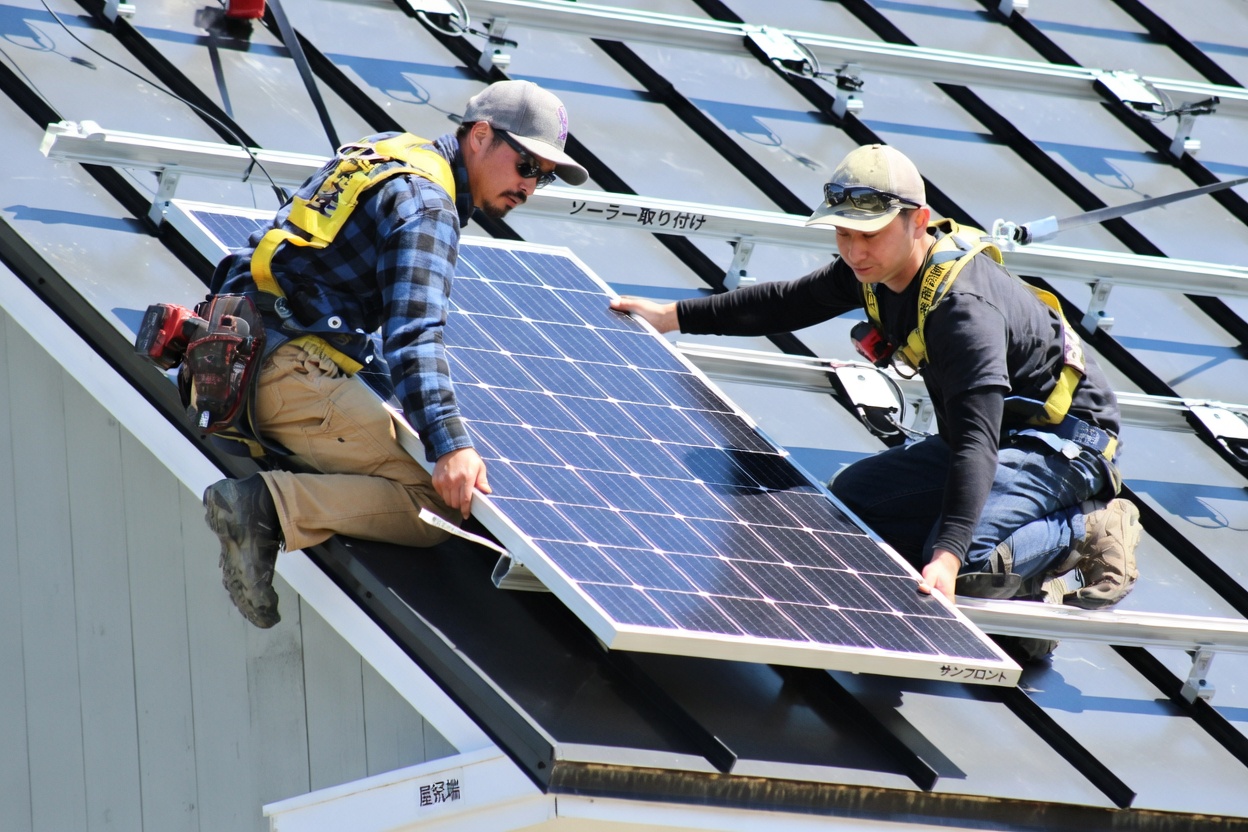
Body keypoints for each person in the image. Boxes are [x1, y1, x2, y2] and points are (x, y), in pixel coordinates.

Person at [612, 144, 1139, 641]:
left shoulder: (964, 313)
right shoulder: (872, 272)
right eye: (843, 234)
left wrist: (948, 555)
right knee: (856, 506)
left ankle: (1083, 528)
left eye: (870, 235)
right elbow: (787, 303)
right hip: (992, 436)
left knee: (960, 560)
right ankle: (1024, 587)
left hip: (1062, 445)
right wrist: (672, 316)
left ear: (919, 221)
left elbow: (976, 443)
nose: (854, 250)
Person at [200, 80, 589, 628]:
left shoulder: (388, 150)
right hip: (286, 371)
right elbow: (414, 334)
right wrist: (450, 446)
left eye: (544, 176)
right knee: (434, 505)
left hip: (236, 348)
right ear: (481, 136)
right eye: (527, 165)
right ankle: (264, 506)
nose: (531, 186)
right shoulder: (431, 206)